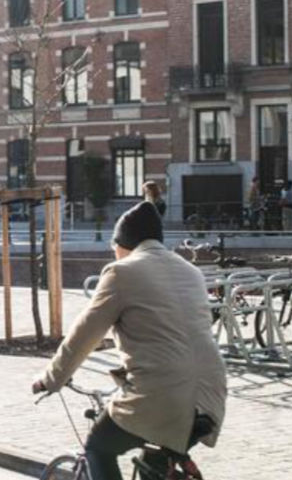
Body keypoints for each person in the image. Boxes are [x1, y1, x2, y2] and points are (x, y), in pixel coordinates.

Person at [31, 201, 226, 480]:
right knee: (155, 462)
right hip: (210, 395)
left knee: (98, 447)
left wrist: (51, 378)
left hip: (161, 394)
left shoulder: (121, 272)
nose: (114, 254)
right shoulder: (191, 272)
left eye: (114, 248)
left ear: (123, 243)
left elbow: (83, 334)